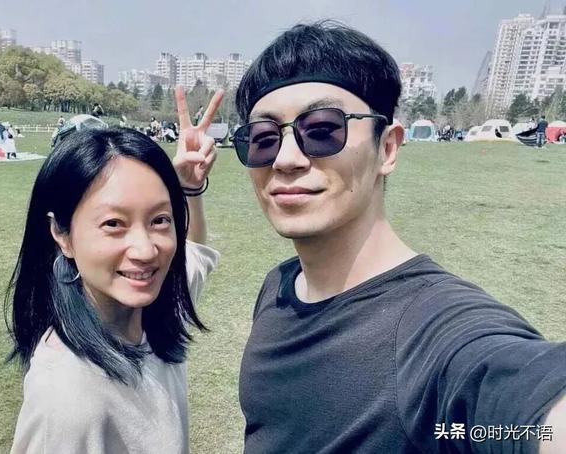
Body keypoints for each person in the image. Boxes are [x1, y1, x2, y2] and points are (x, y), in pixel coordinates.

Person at [232, 21, 566, 453]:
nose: (286, 159)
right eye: (263, 138)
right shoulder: (279, 285)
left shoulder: (435, 331)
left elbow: (525, 406)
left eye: (322, 130)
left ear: (387, 148)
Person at [7, 87, 224, 453]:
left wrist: (189, 188)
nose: (146, 250)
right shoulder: (66, 399)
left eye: (159, 220)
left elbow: (194, 254)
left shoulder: (153, 311)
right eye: (113, 224)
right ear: (62, 234)